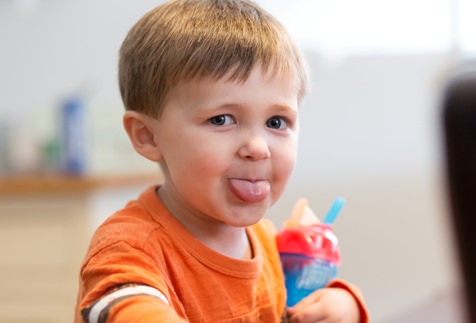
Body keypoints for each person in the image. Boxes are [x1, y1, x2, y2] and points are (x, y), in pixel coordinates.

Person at [75, 0, 369, 322]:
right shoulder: (130, 247)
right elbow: (124, 307)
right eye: (222, 119)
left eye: (276, 122)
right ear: (147, 135)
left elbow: (302, 305)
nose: (258, 148)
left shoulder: (269, 245)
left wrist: (344, 305)